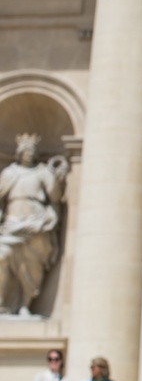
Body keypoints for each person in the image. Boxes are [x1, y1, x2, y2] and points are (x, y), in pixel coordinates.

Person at [0, 132, 68, 314]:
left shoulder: (42, 173)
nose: (29, 153)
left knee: (32, 265)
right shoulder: (9, 173)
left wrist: (56, 175)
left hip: (36, 223)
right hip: (12, 223)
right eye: (27, 149)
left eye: (32, 150)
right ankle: (3, 303)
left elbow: (54, 196)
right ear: (20, 152)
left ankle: (25, 304)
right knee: (3, 255)